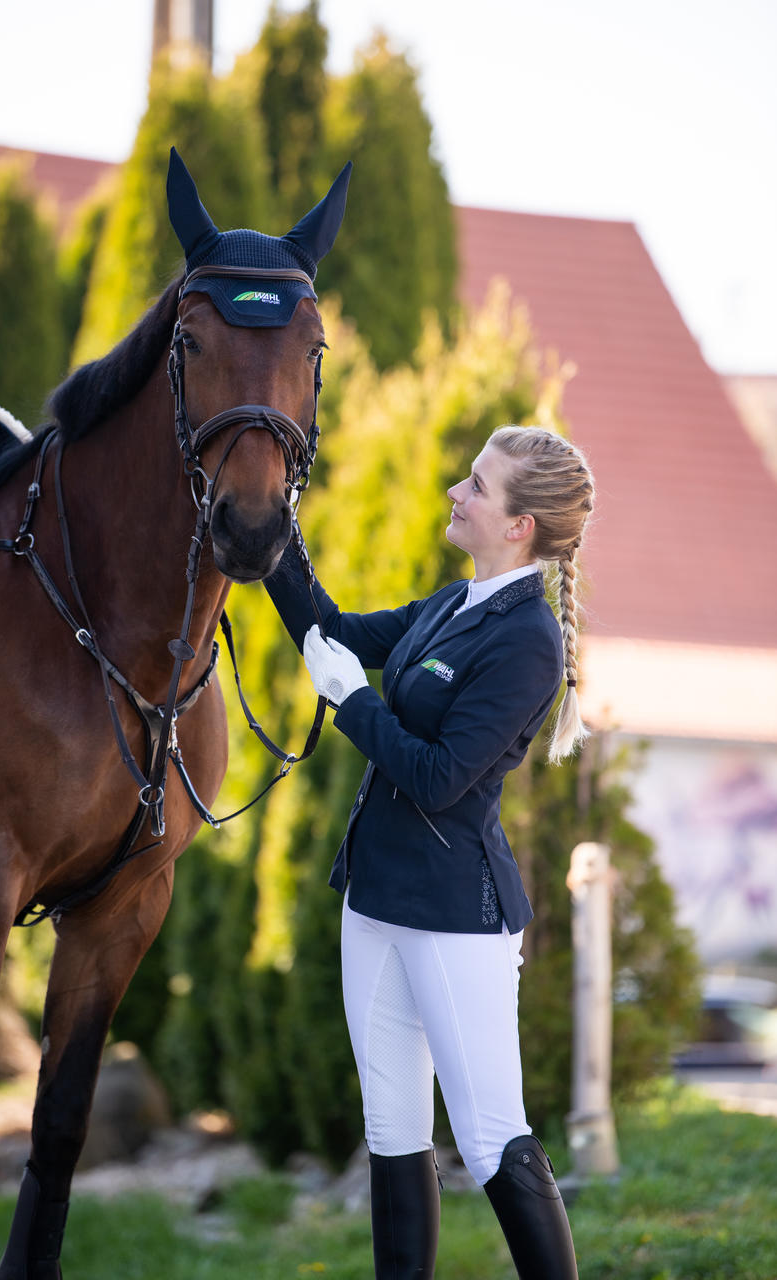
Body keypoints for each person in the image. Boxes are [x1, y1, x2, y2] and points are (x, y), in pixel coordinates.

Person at [264, 424, 595, 1278]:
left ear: (519, 525)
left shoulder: (527, 641)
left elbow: (442, 778)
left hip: (454, 918)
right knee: (391, 1129)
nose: (457, 491)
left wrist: (352, 705)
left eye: (477, 487)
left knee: (491, 1138)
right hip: (372, 900)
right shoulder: (456, 603)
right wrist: (272, 528)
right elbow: (333, 630)